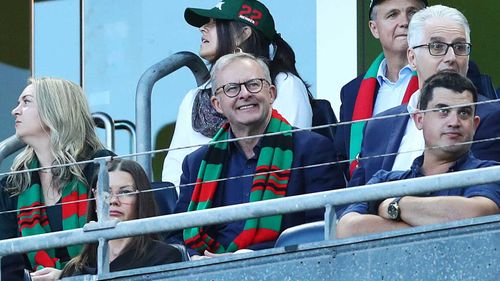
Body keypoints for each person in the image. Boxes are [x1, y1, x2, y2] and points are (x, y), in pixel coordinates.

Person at [169, 52, 345, 259]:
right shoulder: (196, 163)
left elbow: (321, 229)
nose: (244, 94)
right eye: (232, 89)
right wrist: (194, 258)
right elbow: (176, 236)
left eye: (253, 84)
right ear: (217, 104)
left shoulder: (312, 149)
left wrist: (249, 256)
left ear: (271, 93)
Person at [162, 0, 313, 189]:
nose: (202, 28)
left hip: (269, 201)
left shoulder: (283, 84)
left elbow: (290, 151)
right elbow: (175, 167)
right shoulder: (195, 96)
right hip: (200, 208)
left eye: (214, 22)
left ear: (243, 34)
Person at [348, 5, 500, 188]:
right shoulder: (379, 125)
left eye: (460, 47)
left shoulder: (491, 117)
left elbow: (481, 198)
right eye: (437, 46)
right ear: (412, 58)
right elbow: (352, 202)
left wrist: (392, 207)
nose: (451, 57)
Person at [337, 70, 500, 238]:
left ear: (474, 124)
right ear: (419, 119)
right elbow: (348, 229)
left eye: (464, 113)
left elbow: (476, 217)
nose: (454, 122)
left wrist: (395, 205)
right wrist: (436, 227)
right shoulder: (385, 181)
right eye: (443, 111)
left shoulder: (489, 174)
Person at [0, 77, 114, 281]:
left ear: (54, 109)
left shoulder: (101, 166)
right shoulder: (12, 185)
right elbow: (7, 262)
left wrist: (69, 276)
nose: (15, 111)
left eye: (26, 102)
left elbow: (122, 249)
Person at [335, 0, 428, 178]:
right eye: (392, 15)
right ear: (374, 28)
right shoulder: (352, 92)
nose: (405, 22)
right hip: (365, 198)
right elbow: (341, 160)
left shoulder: (446, 73)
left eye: (413, 13)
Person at [60, 159, 181, 277]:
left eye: (125, 192)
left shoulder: (163, 257)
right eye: (105, 192)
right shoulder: (74, 269)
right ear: (94, 198)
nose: (113, 201)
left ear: (141, 200)